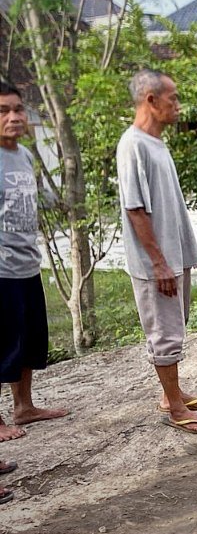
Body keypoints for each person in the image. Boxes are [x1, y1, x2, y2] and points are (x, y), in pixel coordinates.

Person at [116, 69, 197, 436]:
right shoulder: (133, 145)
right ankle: (174, 407)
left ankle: (171, 394)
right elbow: (135, 209)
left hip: (173, 255)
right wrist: (157, 262)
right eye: (173, 99)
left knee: (175, 323)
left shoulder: (155, 143)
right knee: (164, 332)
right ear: (151, 100)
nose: (178, 105)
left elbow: (168, 205)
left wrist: (187, 250)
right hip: (154, 262)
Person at [0, 78, 69, 448]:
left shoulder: (25, 155)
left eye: (18, 109)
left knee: (27, 338)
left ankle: (24, 406)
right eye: (3, 111)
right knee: (2, 342)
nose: (13, 117)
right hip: (1, 269)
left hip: (27, 263)